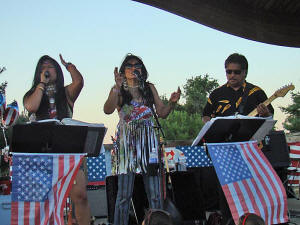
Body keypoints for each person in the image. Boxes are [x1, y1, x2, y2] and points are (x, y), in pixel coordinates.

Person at [104, 53, 181, 225]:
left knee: (155, 194)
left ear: (142, 69)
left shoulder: (149, 88)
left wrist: (172, 103)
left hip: (149, 142)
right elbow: (107, 109)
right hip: (127, 144)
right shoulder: (118, 89)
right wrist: (116, 88)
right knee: (123, 196)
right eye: (129, 65)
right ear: (123, 70)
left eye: (137, 65)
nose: (133, 68)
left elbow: (161, 113)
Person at [202, 53, 274, 225]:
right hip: (225, 151)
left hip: (251, 149)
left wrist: (266, 113)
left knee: (252, 190)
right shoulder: (217, 93)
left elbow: (270, 117)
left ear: (245, 73)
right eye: (228, 72)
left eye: (236, 72)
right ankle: (228, 220)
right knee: (227, 192)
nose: (232, 75)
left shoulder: (256, 93)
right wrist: (210, 124)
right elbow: (205, 116)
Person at [23, 54, 90, 225]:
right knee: (46, 201)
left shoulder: (66, 93)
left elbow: (79, 82)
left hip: (69, 152)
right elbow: (31, 106)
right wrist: (41, 84)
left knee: (80, 195)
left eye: (50, 66)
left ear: (57, 71)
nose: (46, 69)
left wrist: (69, 66)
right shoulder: (31, 94)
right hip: (42, 154)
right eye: (42, 67)